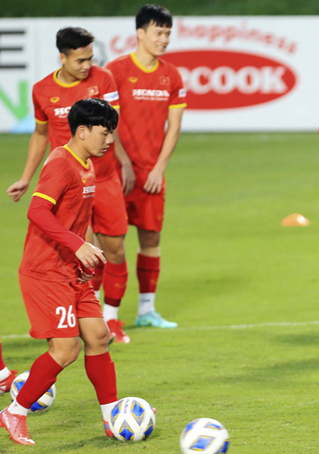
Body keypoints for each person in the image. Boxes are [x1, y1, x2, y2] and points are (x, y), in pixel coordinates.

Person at [0, 99, 120, 446]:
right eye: (104, 132)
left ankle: (112, 416)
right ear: (82, 132)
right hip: (46, 271)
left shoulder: (87, 163)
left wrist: (85, 252)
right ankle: (15, 412)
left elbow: (76, 219)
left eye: (111, 132)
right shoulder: (61, 165)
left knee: (98, 336)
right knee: (66, 349)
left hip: (72, 268)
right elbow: (37, 211)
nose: (109, 139)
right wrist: (76, 244)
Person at [5, 27, 133, 344]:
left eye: (90, 58)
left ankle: (112, 320)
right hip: (70, 187)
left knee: (115, 250)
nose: (87, 65)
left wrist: (125, 162)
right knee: (83, 254)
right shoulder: (41, 90)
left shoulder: (103, 79)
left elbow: (111, 128)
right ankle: (88, 319)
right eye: (80, 60)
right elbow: (40, 135)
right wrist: (26, 176)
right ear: (62, 57)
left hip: (104, 179)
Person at [105, 4, 187, 329]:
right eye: (159, 32)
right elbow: (106, 122)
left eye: (168, 33)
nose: (164, 39)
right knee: (109, 244)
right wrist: (124, 162)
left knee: (151, 241)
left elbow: (175, 126)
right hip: (116, 173)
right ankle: (103, 316)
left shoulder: (172, 75)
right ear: (140, 33)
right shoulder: (117, 70)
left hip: (152, 175)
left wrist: (159, 168)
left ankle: (146, 311)